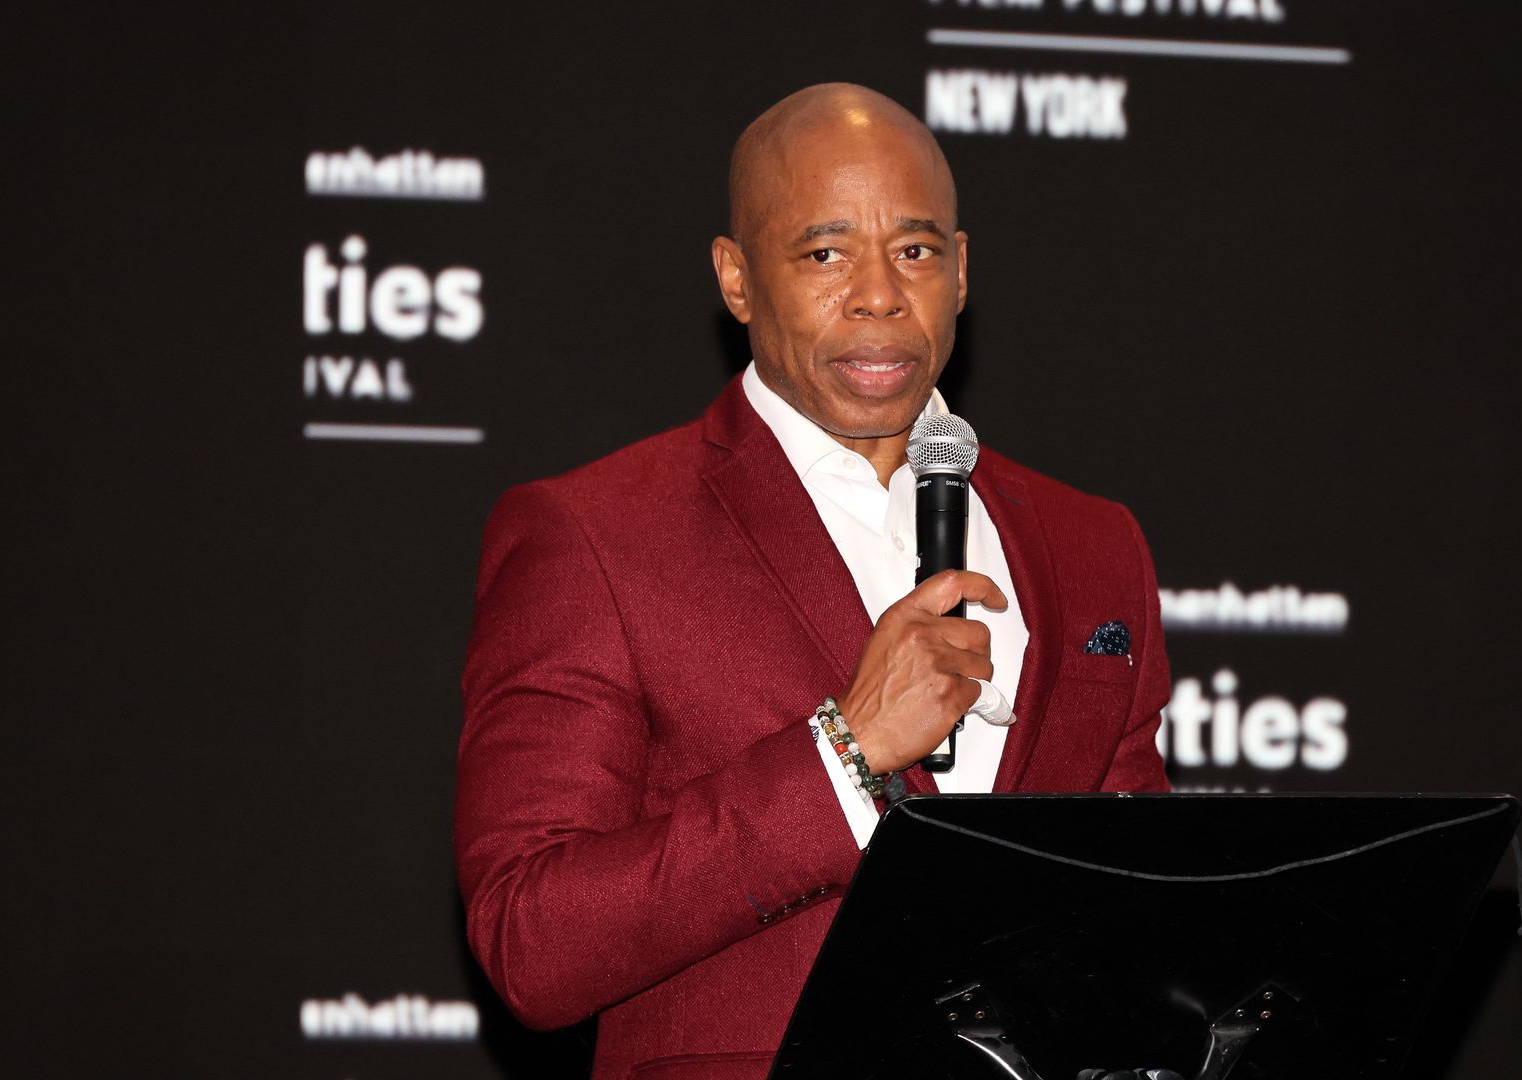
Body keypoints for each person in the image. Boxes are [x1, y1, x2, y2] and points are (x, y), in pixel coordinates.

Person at [456, 83, 1170, 1080]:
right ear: (738, 280)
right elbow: (530, 940)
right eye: (825, 254)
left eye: (916, 251)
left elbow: (1147, 909)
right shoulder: (594, 535)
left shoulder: (1095, 544)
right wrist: (845, 758)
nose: (879, 293)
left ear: (962, 272)